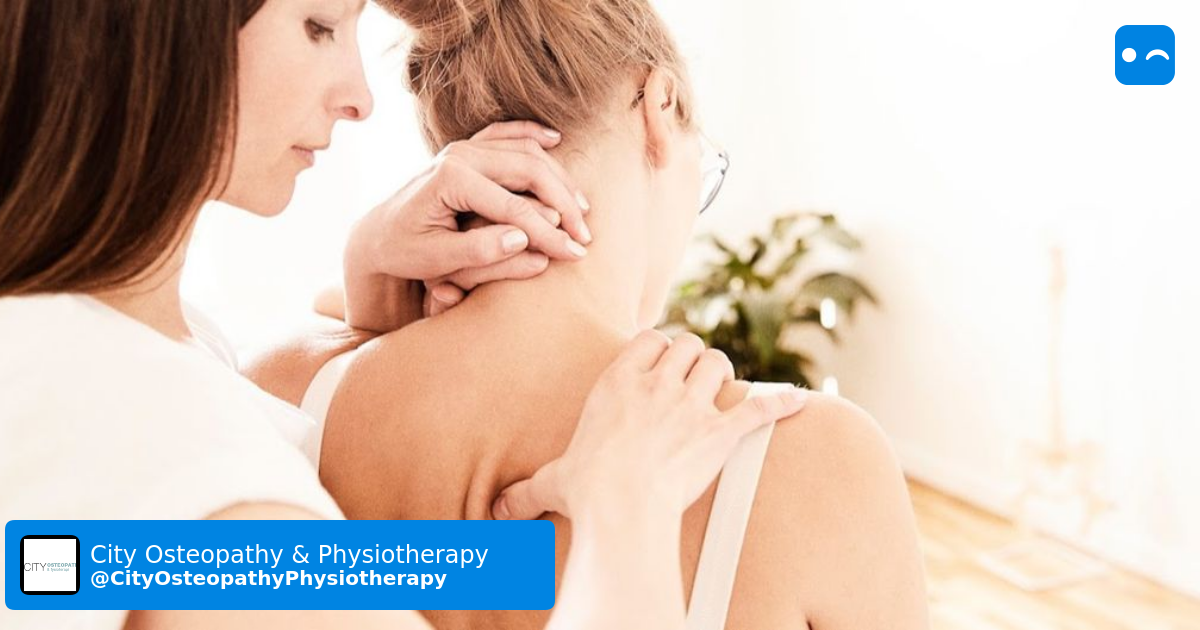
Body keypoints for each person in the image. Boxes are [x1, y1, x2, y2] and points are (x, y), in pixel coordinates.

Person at [0, 0, 810, 628]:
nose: (360, 98)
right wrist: (626, 512)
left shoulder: (106, 350)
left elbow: (101, 567)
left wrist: (364, 287)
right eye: (318, 25)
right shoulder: (198, 483)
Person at [258, 0, 932, 628]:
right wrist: (622, 517)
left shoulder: (282, 392)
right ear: (660, 106)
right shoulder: (819, 465)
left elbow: (473, 573)